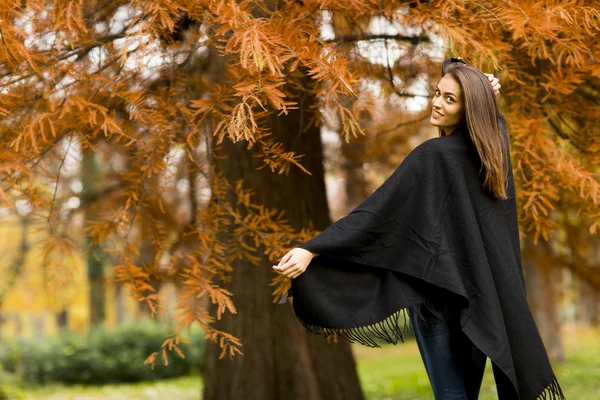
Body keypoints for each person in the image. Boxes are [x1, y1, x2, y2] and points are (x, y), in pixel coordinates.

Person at [273, 59, 565, 400]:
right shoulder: (494, 154)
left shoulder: (435, 156)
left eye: (451, 99)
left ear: (471, 108)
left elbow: (375, 215)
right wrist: (476, 84)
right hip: (478, 297)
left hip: (436, 300)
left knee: (452, 395)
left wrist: (313, 248)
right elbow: (492, 119)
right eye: (437, 93)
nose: (437, 103)